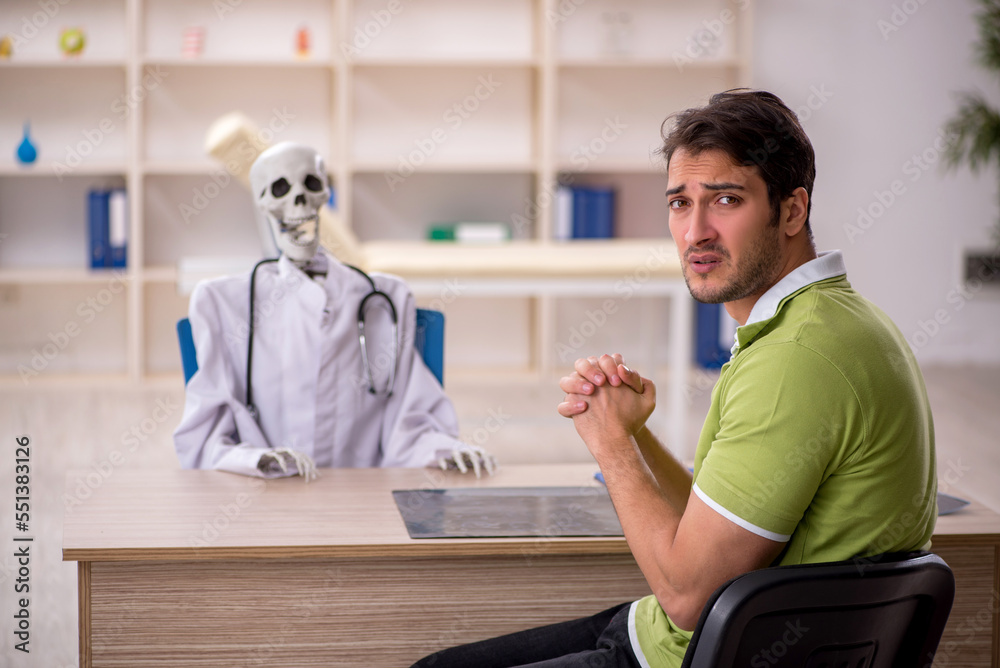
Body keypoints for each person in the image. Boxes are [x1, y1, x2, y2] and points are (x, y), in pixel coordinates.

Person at [411, 89, 937, 667]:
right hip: (671, 636)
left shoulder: (797, 359)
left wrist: (609, 444)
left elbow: (689, 597)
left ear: (791, 210)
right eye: (680, 204)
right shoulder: (837, 321)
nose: (695, 233)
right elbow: (718, 531)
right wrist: (636, 435)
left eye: (726, 200)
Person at [174, 142, 495, 480]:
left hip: (365, 498)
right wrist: (254, 459)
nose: (299, 201)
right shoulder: (221, 301)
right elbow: (206, 437)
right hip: (268, 498)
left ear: (325, 194)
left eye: (311, 185)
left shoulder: (385, 297)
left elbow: (411, 417)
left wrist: (443, 448)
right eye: (280, 190)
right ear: (261, 203)